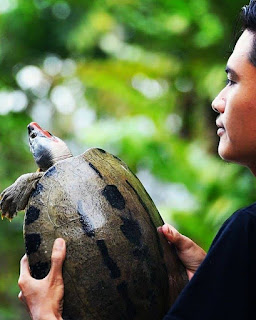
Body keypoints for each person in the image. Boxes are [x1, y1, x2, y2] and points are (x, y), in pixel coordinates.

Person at [18, 0, 256, 319]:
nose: (217, 101)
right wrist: (210, 278)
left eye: (232, 81)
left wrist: (45, 313)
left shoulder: (247, 232)